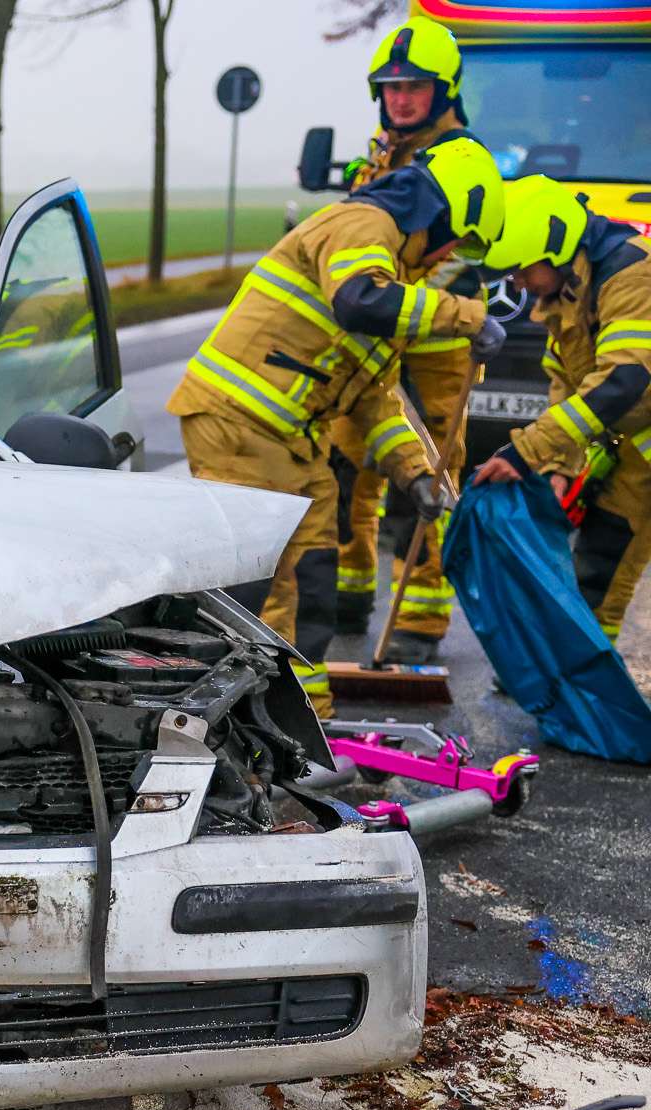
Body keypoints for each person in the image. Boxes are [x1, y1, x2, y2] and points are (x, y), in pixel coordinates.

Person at [166, 134, 507, 716]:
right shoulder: (362, 225)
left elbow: (376, 400)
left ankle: (304, 712)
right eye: (451, 244)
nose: (442, 260)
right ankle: (252, 722)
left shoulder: (396, 275)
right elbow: (358, 301)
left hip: (290, 440)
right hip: (240, 423)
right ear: (438, 215)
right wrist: (466, 317)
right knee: (275, 586)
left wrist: (417, 476)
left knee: (314, 579)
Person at [330, 16, 479, 663]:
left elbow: (464, 255)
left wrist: (394, 301)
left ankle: (422, 609)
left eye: (415, 86)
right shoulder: (378, 158)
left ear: (444, 90)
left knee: (427, 478)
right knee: (344, 466)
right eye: (390, 87)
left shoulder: (460, 163)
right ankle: (347, 591)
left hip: (437, 346)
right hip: (373, 339)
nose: (401, 98)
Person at [472, 176, 651, 642]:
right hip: (634, 450)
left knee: (604, 568)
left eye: (521, 269)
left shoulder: (632, 275)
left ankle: (584, 683)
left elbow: (624, 381)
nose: (516, 283)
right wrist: (560, 465)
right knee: (596, 573)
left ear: (552, 244)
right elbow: (566, 381)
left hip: (641, 449)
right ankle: (574, 674)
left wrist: (524, 453)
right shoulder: (570, 287)